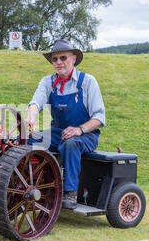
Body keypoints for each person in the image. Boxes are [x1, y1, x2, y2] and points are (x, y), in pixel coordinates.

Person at [25, 39, 106, 210]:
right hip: (57, 132)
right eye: (55, 59)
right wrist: (30, 119)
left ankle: (70, 192)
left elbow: (99, 117)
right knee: (25, 139)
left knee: (70, 144)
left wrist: (79, 130)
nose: (58, 62)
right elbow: (35, 103)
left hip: (86, 135)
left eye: (63, 58)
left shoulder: (87, 82)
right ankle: (31, 183)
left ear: (74, 58)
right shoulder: (47, 82)